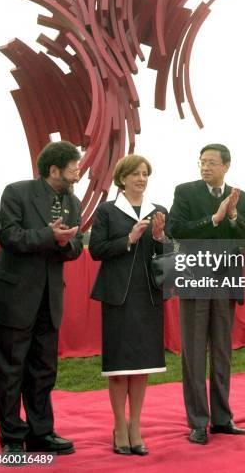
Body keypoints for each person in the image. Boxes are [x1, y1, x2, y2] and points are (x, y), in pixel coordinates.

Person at [0, 141, 83, 455]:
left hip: (49, 299)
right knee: (10, 370)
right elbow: (9, 236)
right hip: (13, 298)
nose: (78, 171)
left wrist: (66, 243)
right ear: (55, 169)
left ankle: (41, 432)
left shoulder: (73, 201)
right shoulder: (17, 192)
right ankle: (12, 436)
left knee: (43, 369)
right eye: (73, 166)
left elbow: (77, 246)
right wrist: (48, 235)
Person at [168, 143, 245, 445]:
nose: (205, 167)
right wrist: (214, 219)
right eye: (202, 162)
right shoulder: (185, 192)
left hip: (226, 284)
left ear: (226, 166)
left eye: (212, 162)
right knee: (193, 352)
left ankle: (221, 419)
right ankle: (198, 422)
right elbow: (176, 230)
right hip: (194, 281)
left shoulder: (240, 197)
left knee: (221, 353)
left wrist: (231, 217)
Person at [89, 155, 169, 457]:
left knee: (142, 368)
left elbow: (164, 255)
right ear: (122, 178)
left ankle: (136, 425)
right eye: (135, 173)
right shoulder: (107, 211)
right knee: (120, 369)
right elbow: (96, 250)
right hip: (118, 297)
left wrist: (160, 238)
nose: (141, 178)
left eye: (145, 173)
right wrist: (129, 238)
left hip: (148, 296)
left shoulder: (159, 211)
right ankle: (119, 426)